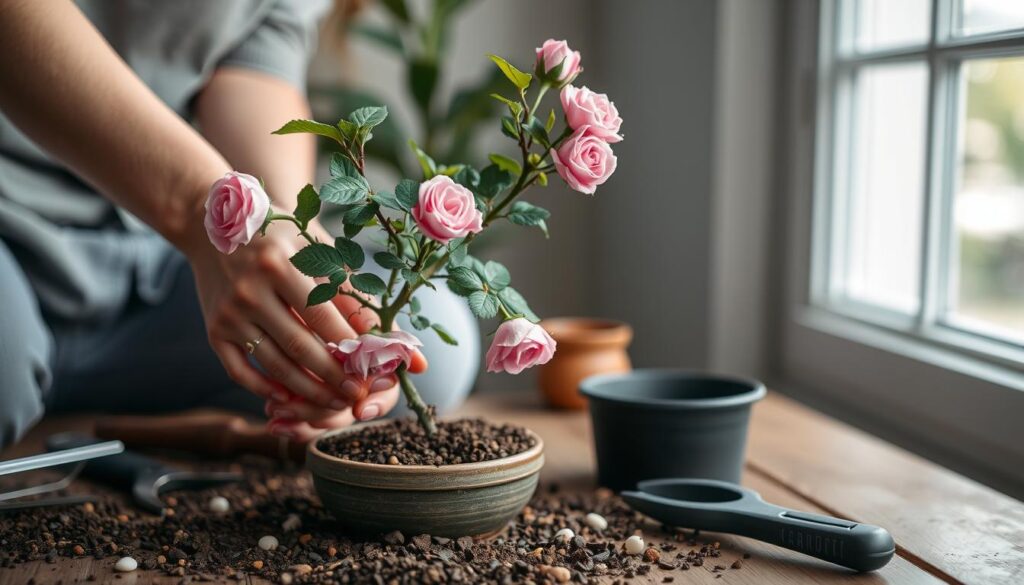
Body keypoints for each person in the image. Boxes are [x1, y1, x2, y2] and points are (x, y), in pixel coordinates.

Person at [0, 0, 430, 449]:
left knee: (416, 350)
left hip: (151, 255)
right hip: (20, 227)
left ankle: (90, 417)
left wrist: (290, 239)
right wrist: (199, 210)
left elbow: (253, 65)